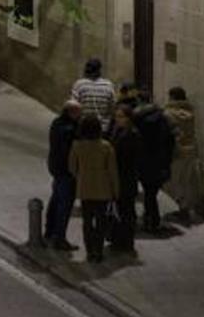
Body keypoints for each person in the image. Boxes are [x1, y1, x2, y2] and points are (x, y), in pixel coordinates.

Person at [68, 113, 118, 263]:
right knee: (101, 221)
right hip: (103, 188)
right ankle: (98, 250)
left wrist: (81, 175)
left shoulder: (77, 146)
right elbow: (112, 171)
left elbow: (71, 167)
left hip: (85, 188)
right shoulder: (106, 146)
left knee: (87, 221)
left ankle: (90, 251)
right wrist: (116, 190)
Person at [132, 90, 174, 232]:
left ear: (139, 101)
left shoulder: (136, 119)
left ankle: (152, 220)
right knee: (152, 191)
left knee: (148, 190)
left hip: (143, 160)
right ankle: (150, 218)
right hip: (159, 159)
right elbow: (170, 140)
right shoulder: (162, 117)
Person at [44, 99, 82, 251]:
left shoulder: (57, 123)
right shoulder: (70, 129)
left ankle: (49, 231)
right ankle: (60, 238)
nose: (81, 115)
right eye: (79, 112)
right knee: (64, 204)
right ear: (71, 112)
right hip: (66, 171)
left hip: (56, 168)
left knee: (56, 200)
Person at [163, 87, 203, 222]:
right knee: (186, 180)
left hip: (177, 151)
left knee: (176, 181)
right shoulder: (190, 112)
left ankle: (183, 209)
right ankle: (186, 208)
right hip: (190, 149)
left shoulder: (168, 113)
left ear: (172, 98)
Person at [107, 104, 141, 254]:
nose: (117, 119)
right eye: (116, 116)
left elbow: (124, 157)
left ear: (128, 118)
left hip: (126, 178)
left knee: (126, 211)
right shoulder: (118, 132)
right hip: (119, 177)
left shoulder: (132, 135)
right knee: (118, 209)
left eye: (121, 117)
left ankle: (126, 242)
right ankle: (118, 239)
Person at [71, 58, 116, 131]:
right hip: (103, 128)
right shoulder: (108, 85)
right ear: (99, 70)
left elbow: (73, 107)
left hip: (84, 128)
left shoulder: (79, 84)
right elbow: (112, 108)